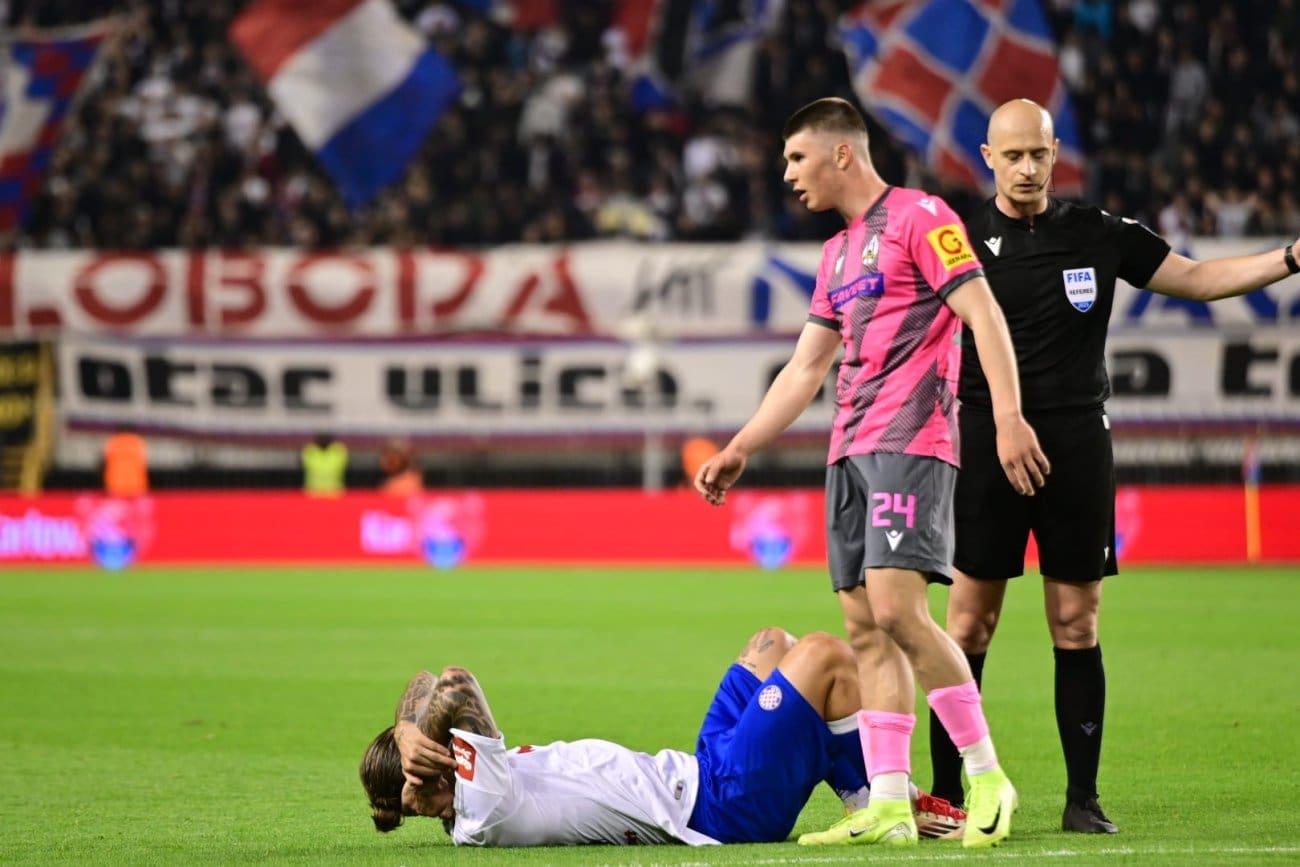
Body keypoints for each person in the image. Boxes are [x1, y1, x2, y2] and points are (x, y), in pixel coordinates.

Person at [928, 98, 1300, 835]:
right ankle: (946, 794)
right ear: (988, 158)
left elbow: (1198, 279)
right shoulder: (957, 240)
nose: (1027, 168)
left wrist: (1290, 257)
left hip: (1077, 444)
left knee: (1076, 620)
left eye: (1039, 154)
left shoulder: (1099, 233)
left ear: (1055, 154)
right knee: (968, 623)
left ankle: (1083, 799)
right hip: (985, 441)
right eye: (1013, 156)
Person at [693, 97, 1049, 849]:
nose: (788, 174)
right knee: (864, 628)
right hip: (848, 452)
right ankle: (888, 800)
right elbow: (806, 368)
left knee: (898, 612)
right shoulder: (835, 255)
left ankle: (987, 774)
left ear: (841, 154)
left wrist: (1010, 416)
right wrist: (742, 445)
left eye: (797, 158)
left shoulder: (922, 217)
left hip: (910, 442)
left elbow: (984, 314)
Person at [359, 627, 968, 847]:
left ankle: (862, 790)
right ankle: (878, 796)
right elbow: (454, 682)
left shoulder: (467, 793)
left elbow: (425, 684)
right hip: (721, 808)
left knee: (772, 643)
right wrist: (415, 730)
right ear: (430, 776)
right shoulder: (482, 805)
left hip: (698, 768)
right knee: (824, 655)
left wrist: (407, 727)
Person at [102, 425, 148, 498]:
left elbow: (106, 459)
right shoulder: (136, 441)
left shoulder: (114, 440)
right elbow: (143, 461)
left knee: (117, 503)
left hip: (116, 482)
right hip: (134, 482)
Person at [300, 432, 347, 496]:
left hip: (334, 492)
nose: (323, 439)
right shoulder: (310, 450)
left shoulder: (338, 450)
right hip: (313, 492)